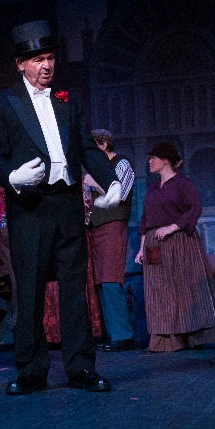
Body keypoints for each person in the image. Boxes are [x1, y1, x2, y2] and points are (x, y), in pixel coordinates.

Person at [0, 19, 122, 395]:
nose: (47, 65)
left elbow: (88, 148)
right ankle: (31, 370)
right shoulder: (2, 103)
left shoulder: (67, 100)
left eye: (50, 58)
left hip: (68, 205)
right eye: (38, 59)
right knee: (30, 290)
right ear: (21, 64)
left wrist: (111, 181)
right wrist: (13, 177)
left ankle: (81, 367)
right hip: (31, 207)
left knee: (75, 289)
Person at [135, 142, 215, 352]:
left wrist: (172, 227)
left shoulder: (182, 184)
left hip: (179, 242)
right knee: (159, 292)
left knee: (184, 289)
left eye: (154, 158)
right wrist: (141, 248)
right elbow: (145, 220)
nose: (150, 161)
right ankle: (166, 340)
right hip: (154, 244)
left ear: (165, 161)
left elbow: (195, 208)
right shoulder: (152, 188)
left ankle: (190, 336)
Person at [84, 129, 136, 351]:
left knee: (111, 280)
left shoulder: (121, 164)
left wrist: (94, 184)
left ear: (103, 145)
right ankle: (111, 333)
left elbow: (120, 194)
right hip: (96, 229)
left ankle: (123, 335)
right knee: (100, 283)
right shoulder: (97, 169)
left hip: (113, 226)